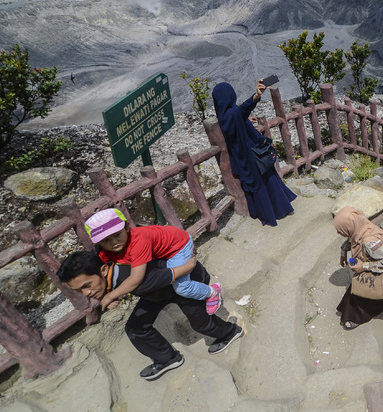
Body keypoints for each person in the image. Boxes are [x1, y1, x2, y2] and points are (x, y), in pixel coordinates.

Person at [57, 251, 243, 381]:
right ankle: (167, 359)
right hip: (157, 292)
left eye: (87, 285)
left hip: (185, 283)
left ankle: (230, 332)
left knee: (201, 324)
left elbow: (165, 277)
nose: (86, 292)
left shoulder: (134, 278)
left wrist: (112, 295)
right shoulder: (110, 269)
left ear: (104, 270)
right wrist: (109, 294)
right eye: (80, 290)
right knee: (135, 328)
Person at [84, 208, 221, 314]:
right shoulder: (105, 252)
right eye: (106, 240)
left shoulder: (139, 241)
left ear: (126, 227)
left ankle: (212, 293)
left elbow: (136, 278)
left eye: (117, 235)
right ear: (98, 243)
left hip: (177, 246)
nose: (114, 242)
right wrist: (109, 295)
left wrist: (109, 297)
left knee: (182, 288)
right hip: (164, 248)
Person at [212, 80, 297, 226]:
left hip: (242, 157)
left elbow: (239, 116)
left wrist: (245, 120)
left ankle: (263, 211)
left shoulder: (224, 116)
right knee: (265, 180)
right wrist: (257, 95)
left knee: (258, 186)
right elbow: (242, 110)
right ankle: (277, 209)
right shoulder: (233, 113)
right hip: (252, 154)